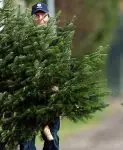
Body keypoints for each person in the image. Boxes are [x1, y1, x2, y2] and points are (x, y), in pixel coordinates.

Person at [20, 2, 60, 150]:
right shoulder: (24, 43)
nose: (40, 18)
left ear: (48, 17)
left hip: (50, 98)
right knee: (26, 140)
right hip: (28, 101)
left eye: (43, 15)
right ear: (32, 18)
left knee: (52, 137)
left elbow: (61, 69)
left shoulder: (55, 43)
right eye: (37, 15)